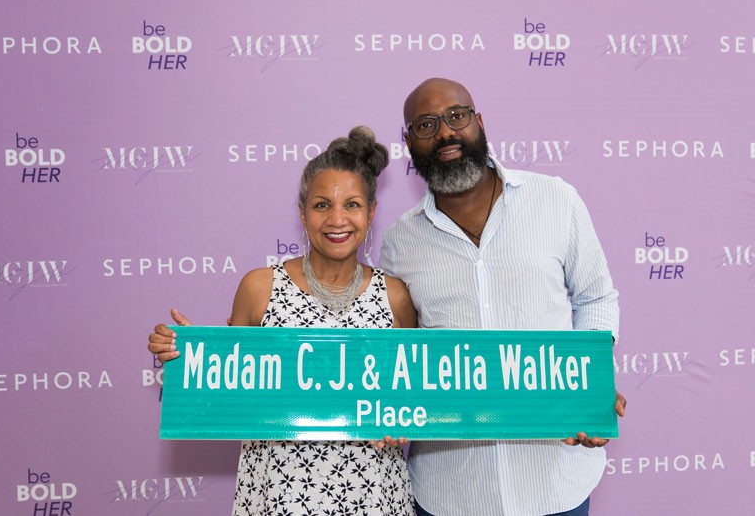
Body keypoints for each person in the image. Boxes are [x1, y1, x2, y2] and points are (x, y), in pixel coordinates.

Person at [379, 78, 625, 516]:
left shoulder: (556, 200)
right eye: (426, 124)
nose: (445, 133)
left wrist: (591, 382)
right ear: (408, 143)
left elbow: (596, 299)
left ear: (479, 121)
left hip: (556, 483)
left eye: (457, 116)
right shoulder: (401, 242)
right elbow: (401, 353)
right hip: (451, 491)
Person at [148, 126, 417, 516]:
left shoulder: (395, 297)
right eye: (322, 205)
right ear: (302, 212)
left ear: (371, 212)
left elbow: (411, 397)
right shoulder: (260, 287)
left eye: (352, 205)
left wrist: (403, 421)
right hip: (279, 491)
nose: (337, 219)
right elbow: (229, 392)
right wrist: (189, 359)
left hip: (372, 492)